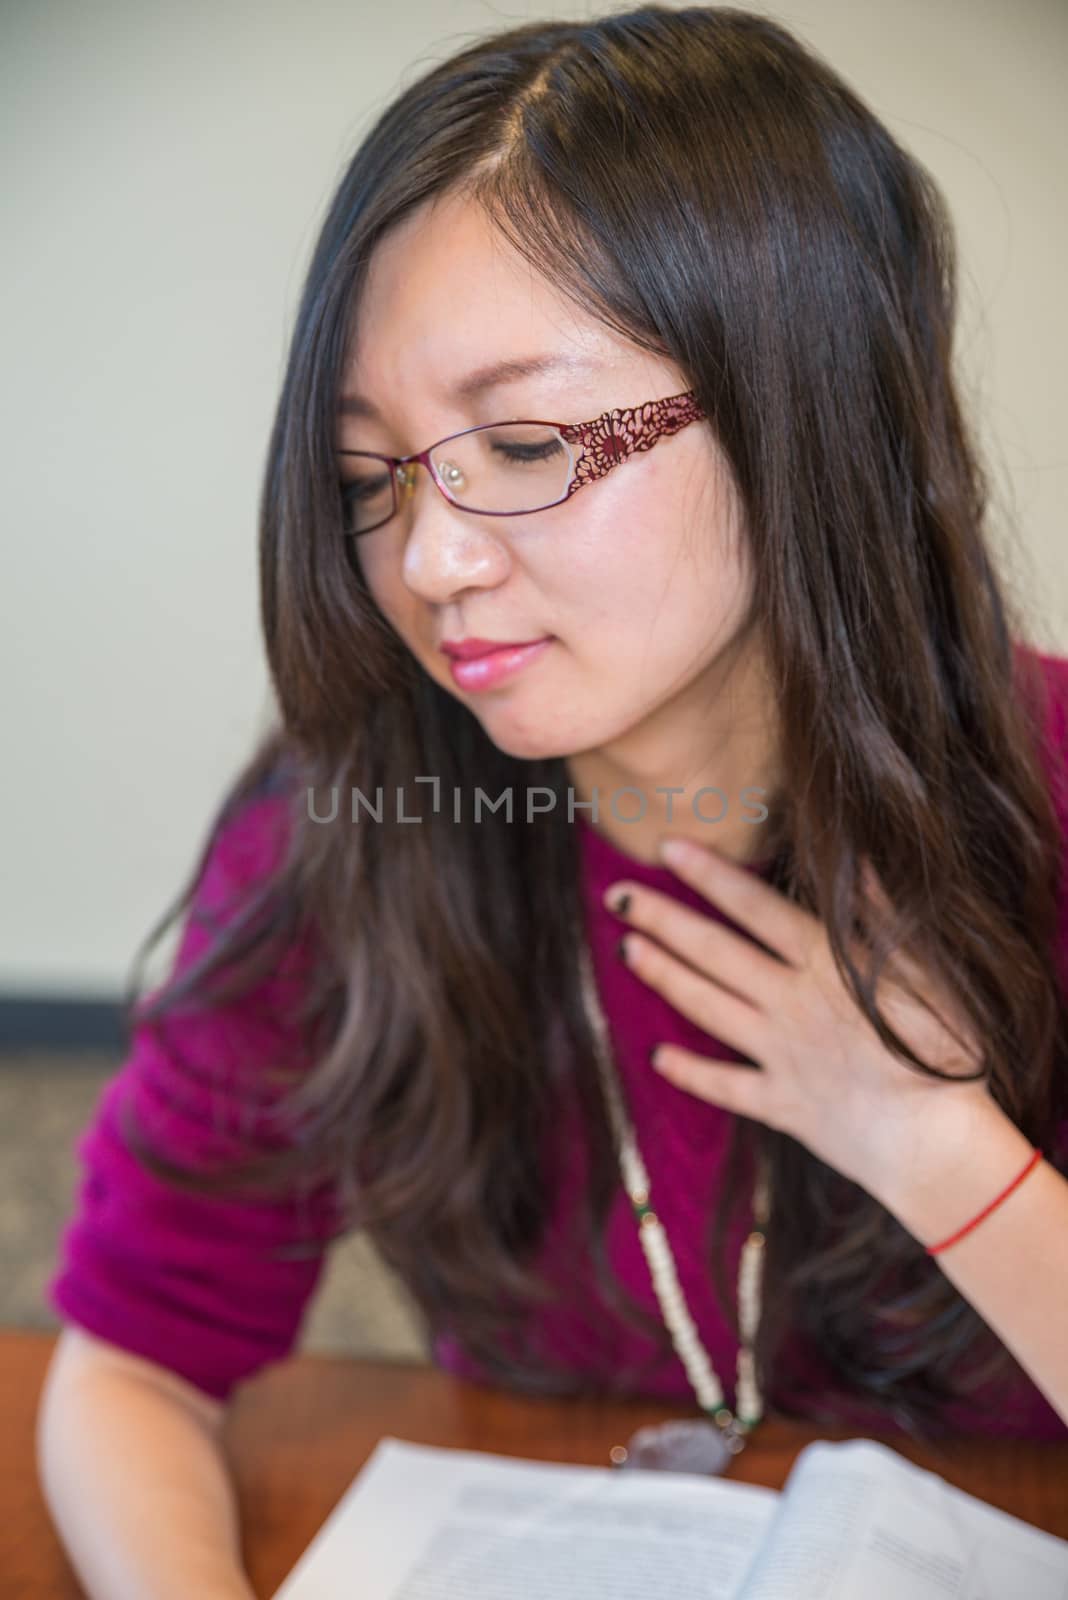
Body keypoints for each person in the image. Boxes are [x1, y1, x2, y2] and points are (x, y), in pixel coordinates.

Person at [36, 5, 1068, 1596]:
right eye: (371, 477)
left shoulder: (1048, 793)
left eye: (523, 443)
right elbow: (127, 1365)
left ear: (800, 400)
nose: (429, 562)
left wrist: (928, 1146)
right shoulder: (355, 823)